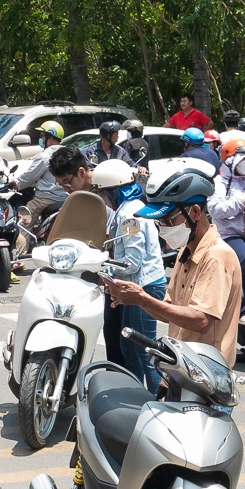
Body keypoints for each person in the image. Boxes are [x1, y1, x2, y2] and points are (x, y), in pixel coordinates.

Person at [103, 166, 241, 369]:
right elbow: (168, 311)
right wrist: (134, 298)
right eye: (159, 222)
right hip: (183, 370)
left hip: (207, 376)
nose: (163, 227)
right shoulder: (186, 252)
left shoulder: (216, 256)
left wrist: (143, 298)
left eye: (168, 219)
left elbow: (201, 321)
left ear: (194, 212)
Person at [93, 158, 166, 380]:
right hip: (136, 286)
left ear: (116, 190)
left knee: (145, 354)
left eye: (105, 193)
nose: (104, 199)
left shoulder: (129, 216)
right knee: (129, 348)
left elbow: (132, 262)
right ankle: (134, 397)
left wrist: (104, 270)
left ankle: (156, 401)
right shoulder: (127, 209)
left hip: (145, 286)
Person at [209, 131, 245, 321]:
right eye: (243, 159)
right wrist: (241, 201)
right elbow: (215, 210)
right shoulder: (219, 183)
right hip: (229, 235)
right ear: (231, 161)